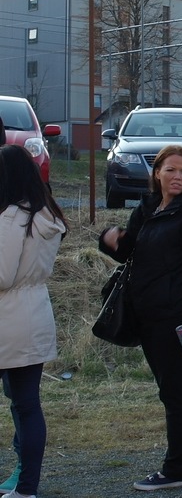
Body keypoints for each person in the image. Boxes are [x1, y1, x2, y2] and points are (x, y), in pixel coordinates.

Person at [99, 144, 182, 492]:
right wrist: (110, 240)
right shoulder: (150, 206)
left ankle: (175, 469)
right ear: (157, 173)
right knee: (181, 391)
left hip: (177, 319)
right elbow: (130, 251)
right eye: (171, 170)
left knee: (176, 393)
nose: (177, 176)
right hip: (148, 314)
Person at [0, 144, 68, 498]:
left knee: (24, 407)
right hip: (34, 315)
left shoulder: (12, 218)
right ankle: (27, 488)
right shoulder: (45, 214)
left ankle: (24, 486)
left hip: (7, 319)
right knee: (27, 406)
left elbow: (2, 275)